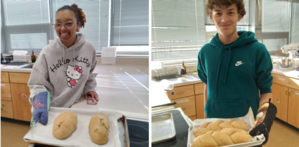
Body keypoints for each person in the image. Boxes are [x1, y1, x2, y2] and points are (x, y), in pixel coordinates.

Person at [197, 0, 273, 146]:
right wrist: (206, 120)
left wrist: (262, 124)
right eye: (218, 13)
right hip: (215, 128)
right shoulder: (205, 52)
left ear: (239, 15)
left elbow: (266, 91)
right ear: (212, 18)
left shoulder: (257, 51)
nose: (224, 19)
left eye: (230, 12)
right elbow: (208, 86)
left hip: (247, 129)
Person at [28, 4, 98, 127]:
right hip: (50, 109)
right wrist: (39, 102)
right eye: (58, 24)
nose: (62, 29)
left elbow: (89, 73)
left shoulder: (89, 48)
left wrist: (90, 88)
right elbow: (36, 83)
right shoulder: (47, 52)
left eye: (68, 23)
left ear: (78, 25)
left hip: (76, 107)